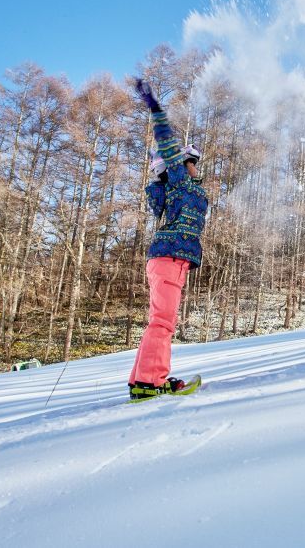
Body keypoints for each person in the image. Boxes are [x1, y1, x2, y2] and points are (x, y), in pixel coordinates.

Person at [127, 78, 208, 400]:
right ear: (175, 166)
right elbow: (166, 141)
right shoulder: (176, 183)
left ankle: (143, 379)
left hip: (168, 260)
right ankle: (149, 382)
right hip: (169, 259)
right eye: (191, 163)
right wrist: (155, 108)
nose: (194, 168)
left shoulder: (176, 191)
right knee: (162, 322)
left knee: (159, 321)